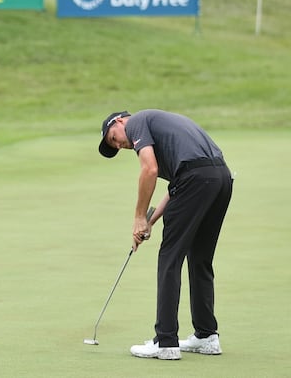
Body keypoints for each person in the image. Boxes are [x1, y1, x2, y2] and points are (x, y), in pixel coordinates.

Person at [98, 109, 233, 360]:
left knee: (170, 258)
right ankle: (206, 335)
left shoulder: (137, 122)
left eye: (113, 138)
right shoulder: (162, 133)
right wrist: (150, 220)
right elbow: (177, 186)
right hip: (220, 178)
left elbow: (149, 170)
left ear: (119, 122)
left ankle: (165, 341)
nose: (120, 145)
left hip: (197, 179)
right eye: (114, 145)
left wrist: (138, 216)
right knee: (200, 258)